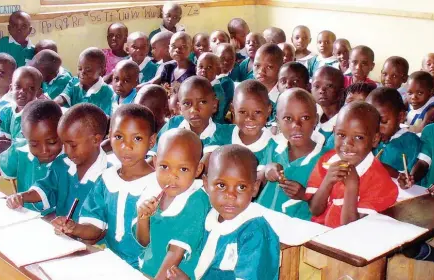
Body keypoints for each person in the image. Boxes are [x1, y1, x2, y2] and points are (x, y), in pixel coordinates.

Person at [52, 104, 157, 267]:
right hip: (109, 261)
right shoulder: (106, 179)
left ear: (151, 141)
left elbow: (154, 240)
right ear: (109, 136)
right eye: (119, 137)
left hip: (146, 267)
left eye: (137, 138)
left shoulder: (158, 185)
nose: (126, 146)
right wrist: (75, 228)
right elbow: (95, 227)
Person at [167, 145, 280, 280]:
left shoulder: (254, 233)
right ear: (206, 184)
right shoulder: (207, 218)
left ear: (255, 188)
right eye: (221, 185)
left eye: (241, 187)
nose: (230, 195)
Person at [6, 103, 110, 216]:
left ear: (96, 140)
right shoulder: (62, 164)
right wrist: (22, 196)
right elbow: (45, 188)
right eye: (64, 144)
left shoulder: (109, 176)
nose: (67, 151)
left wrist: (76, 230)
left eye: (73, 145)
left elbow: (104, 224)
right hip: (60, 231)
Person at [307, 102, 398, 227]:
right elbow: (314, 210)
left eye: (359, 137)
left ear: (375, 140)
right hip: (316, 234)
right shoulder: (327, 161)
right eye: (341, 135)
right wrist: (327, 182)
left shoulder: (379, 181)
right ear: (334, 132)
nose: (348, 143)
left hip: (345, 242)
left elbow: (351, 229)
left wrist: (351, 187)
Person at [135, 129, 210, 279]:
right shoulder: (153, 191)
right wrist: (142, 218)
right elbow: (144, 242)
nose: (172, 176)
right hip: (150, 270)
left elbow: (175, 253)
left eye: (183, 169)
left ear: (198, 170)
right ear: (155, 162)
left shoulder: (197, 200)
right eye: (164, 166)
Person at [0, 100, 63, 207]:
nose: (44, 150)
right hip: (24, 214)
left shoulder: (69, 159)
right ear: (24, 136)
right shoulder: (20, 148)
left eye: (52, 142)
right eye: (34, 144)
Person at [258, 89, 328, 220]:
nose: (296, 125)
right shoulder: (273, 146)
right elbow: (254, 184)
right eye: (288, 118)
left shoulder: (326, 159)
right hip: (261, 221)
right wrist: (266, 171)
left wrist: (304, 195)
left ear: (316, 120)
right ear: (278, 121)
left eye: (305, 118)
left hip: (296, 231)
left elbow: (324, 206)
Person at [156, 76, 229, 153]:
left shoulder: (226, 134)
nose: (194, 110)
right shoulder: (172, 125)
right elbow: (154, 156)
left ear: (214, 105)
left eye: (202, 102)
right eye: (187, 103)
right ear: (180, 108)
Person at [367, 87, 420, 178]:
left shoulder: (410, 142)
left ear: (401, 116)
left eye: (383, 122)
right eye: (370, 122)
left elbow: (409, 178)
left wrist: (383, 169)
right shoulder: (366, 138)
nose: (376, 128)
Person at [56, 47, 113, 115]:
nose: (82, 72)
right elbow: (61, 98)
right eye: (80, 68)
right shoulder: (74, 82)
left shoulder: (107, 93)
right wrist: (54, 105)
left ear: (102, 72)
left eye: (88, 70)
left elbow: (102, 118)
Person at [0, 66, 43, 140]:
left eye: (31, 88)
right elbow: (6, 138)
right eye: (18, 87)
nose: (22, 91)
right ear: (11, 89)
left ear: (38, 92)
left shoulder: (37, 116)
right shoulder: (7, 111)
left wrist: (8, 146)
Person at [312, 66, 344, 140]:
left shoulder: (342, 122)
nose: (321, 90)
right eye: (317, 86)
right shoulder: (313, 115)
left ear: (341, 92)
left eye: (329, 86)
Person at [196, 53, 228, 123]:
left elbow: (218, 116)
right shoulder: (197, 86)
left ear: (218, 71)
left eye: (209, 67)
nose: (203, 70)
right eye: (200, 67)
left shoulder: (216, 91)